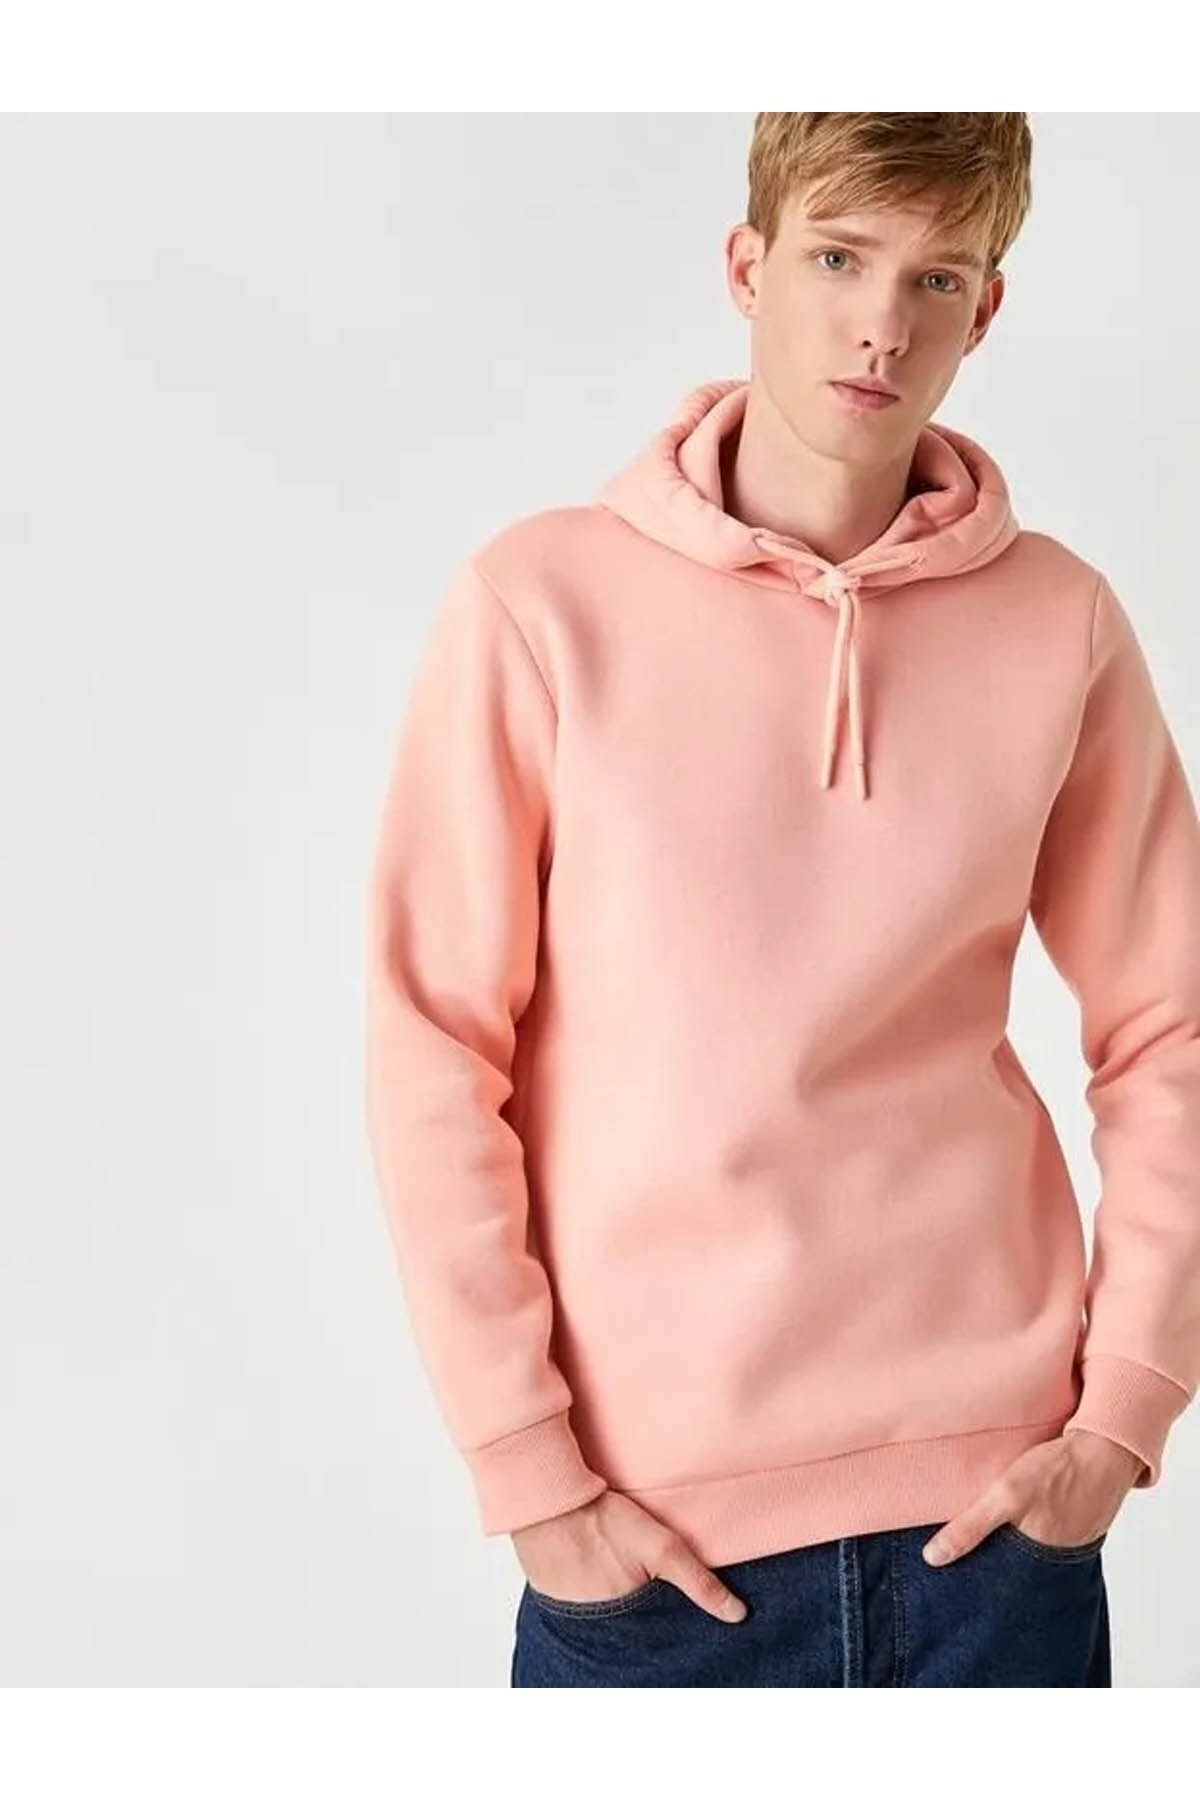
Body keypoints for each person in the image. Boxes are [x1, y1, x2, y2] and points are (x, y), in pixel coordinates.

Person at [363, 113, 1200, 1686]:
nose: (881, 324)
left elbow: (1173, 1029)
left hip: (992, 1538)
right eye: (838, 258)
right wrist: (531, 1475)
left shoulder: (1062, 623)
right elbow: (436, 1048)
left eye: (935, 278)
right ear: (748, 267)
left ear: (985, 311)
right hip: (655, 1551)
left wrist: (1120, 1418)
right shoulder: (542, 604)